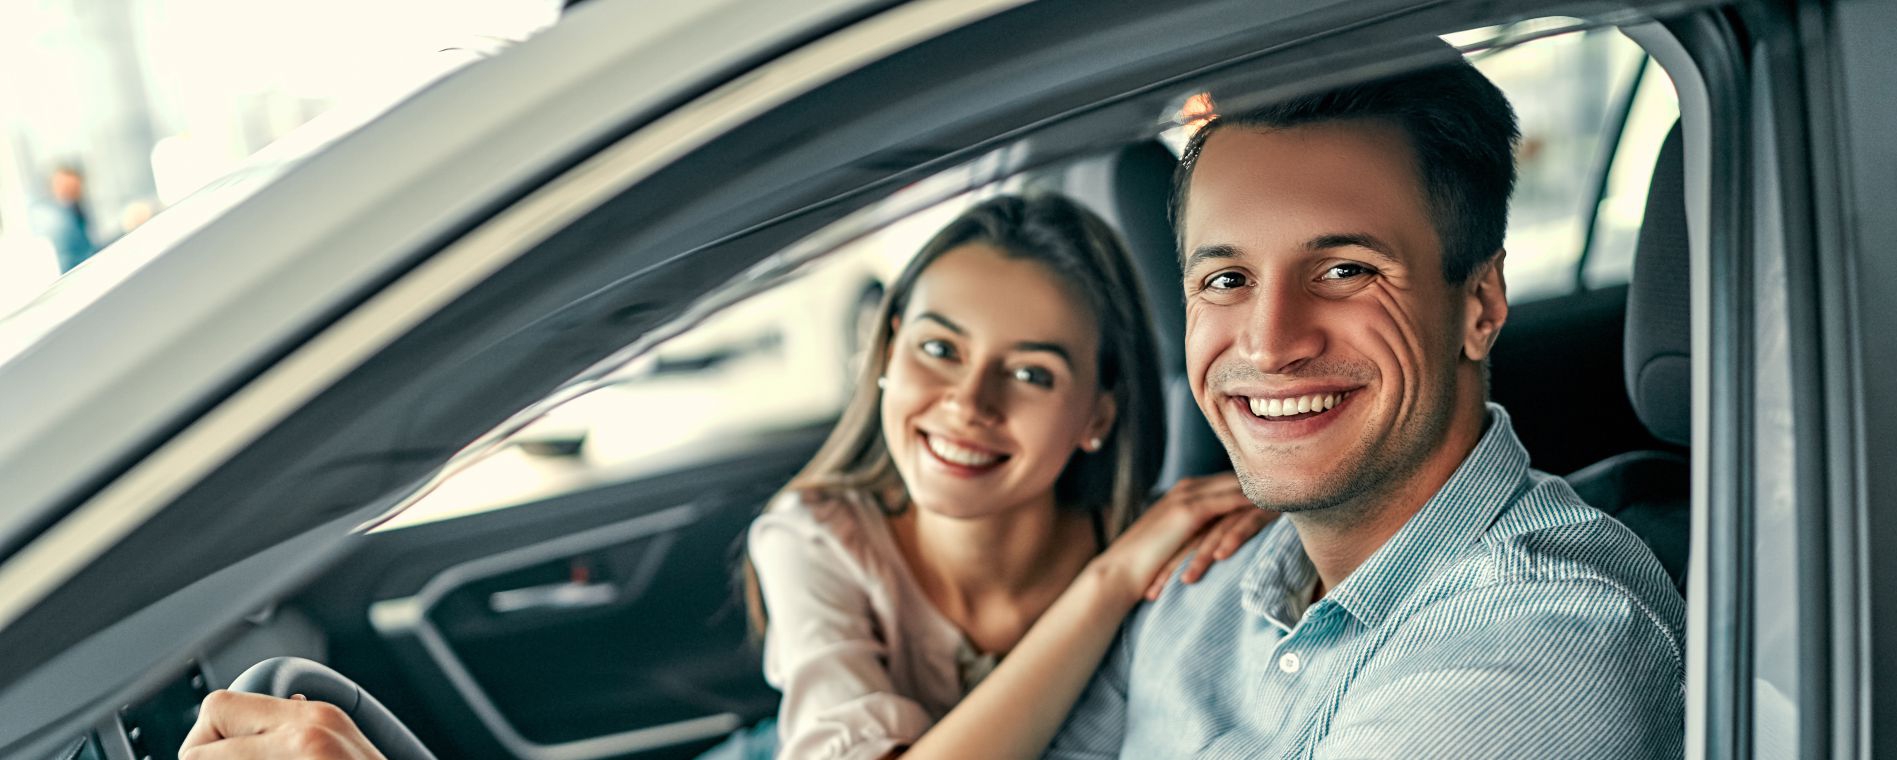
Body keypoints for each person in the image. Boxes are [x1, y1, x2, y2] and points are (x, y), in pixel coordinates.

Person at [180, 195, 1271, 760]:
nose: (968, 404)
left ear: (1099, 414)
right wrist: (1101, 589)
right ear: (884, 352)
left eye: (1030, 373)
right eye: (937, 348)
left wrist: (1124, 573)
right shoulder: (815, 534)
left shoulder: (1171, 563)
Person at [1037, 53, 1686, 758]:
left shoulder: (1542, 641)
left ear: (1480, 303)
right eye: (1227, 278)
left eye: (1346, 271)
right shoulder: (1200, 574)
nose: (1269, 344)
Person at [32, 164, 98, 273]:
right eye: (66, 187)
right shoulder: (57, 222)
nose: (71, 192)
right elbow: (82, 255)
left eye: (75, 188)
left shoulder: (75, 210)